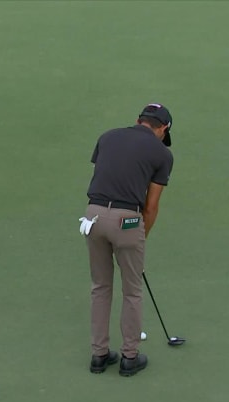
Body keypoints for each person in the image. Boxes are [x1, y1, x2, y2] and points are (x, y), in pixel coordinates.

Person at [80, 103, 174, 377]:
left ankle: (99, 355)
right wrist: (140, 237)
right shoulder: (162, 153)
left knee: (100, 287)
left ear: (138, 120)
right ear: (163, 128)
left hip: (92, 216)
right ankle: (129, 358)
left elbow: (107, 174)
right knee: (132, 290)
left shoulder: (107, 137)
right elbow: (151, 206)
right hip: (127, 220)